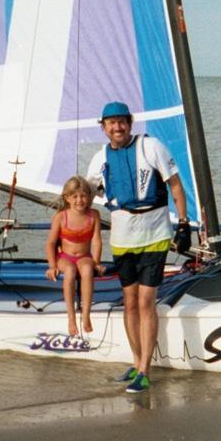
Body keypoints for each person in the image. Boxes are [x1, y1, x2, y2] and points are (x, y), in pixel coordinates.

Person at [86, 101, 191, 394]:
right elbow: (83, 193)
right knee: (129, 302)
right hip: (122, 237)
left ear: (130, 123)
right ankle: (135, 362)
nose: (117, 127)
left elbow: (176, 186)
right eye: (111, 123)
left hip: (154, 232)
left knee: (146, 302)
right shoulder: (100, 158)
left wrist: (183, 225)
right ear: (104, 127)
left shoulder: (151, 146)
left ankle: (145, 370)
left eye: (121, 122)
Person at [44, 175, 104, 337]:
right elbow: (50, 243)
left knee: (86, 270)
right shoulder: (61, 217)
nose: (80, 200)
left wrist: (96, 262)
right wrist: (52, 266)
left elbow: (97, 241)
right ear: (67, 198)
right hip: (65, 257)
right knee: (70, 272)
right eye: (75, 196)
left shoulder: (94, 215)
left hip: (85, 256)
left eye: (83, 195)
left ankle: (86, 315)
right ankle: (71, 317)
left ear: (89, 197)